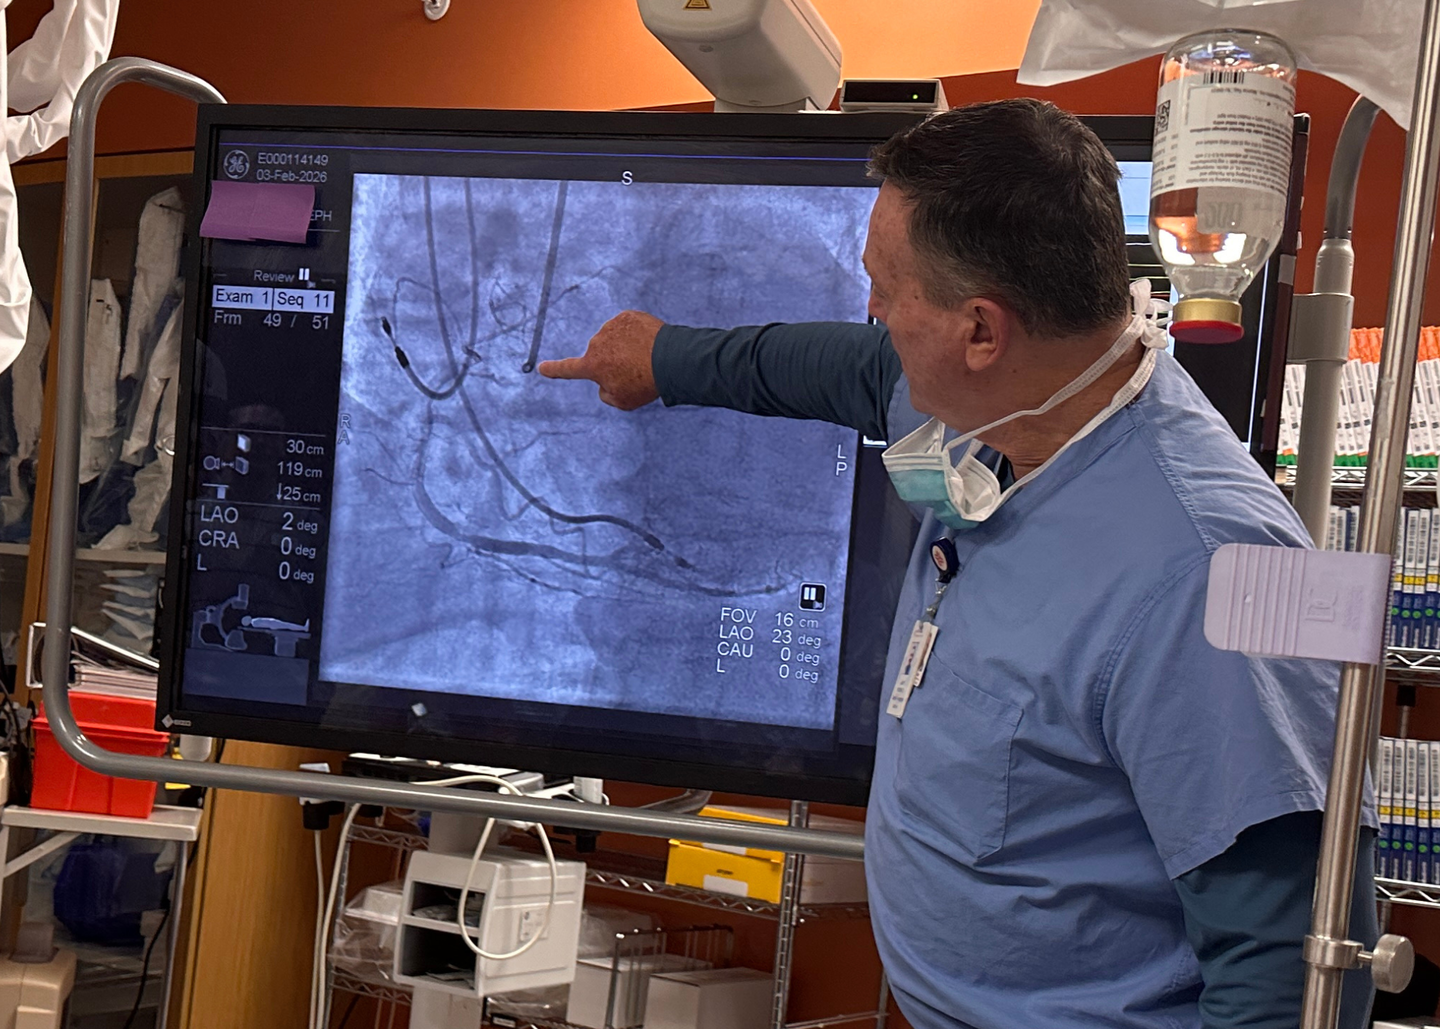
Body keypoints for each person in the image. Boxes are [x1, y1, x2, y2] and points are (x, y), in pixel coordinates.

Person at [540, 99, 1377, 1029]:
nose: (873, 312)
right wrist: (669, 358)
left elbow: (1299, 973)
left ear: (982, 330)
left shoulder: (1233, 575)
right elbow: (852, 367)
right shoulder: (999, 401)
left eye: (885, 288)